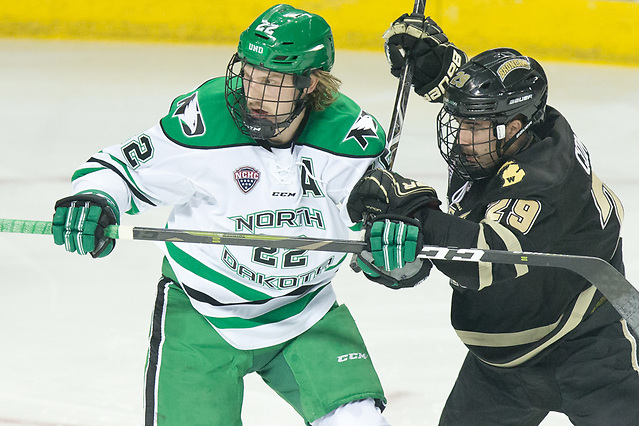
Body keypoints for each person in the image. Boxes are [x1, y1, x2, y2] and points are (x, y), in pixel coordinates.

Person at [50, 4, 391, 425]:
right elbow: (114, 169)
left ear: (311, 84)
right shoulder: (206, 120)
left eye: (271, 81)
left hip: (306, 313)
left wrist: (391, 251)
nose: (253, 94)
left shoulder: (349, 139)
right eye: (249, 74)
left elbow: (381, 230)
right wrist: (94, 200)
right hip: (202, 312)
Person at [346, 13, 639, 426]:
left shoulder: (544, 177)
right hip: (500, 366)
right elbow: (489, 102)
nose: (462, 137)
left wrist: (414, 212)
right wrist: (441, 67)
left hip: (590, 345)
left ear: (515, 128)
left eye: (475, 126)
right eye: (461, 121)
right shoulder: (512, 132)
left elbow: (486, 260)